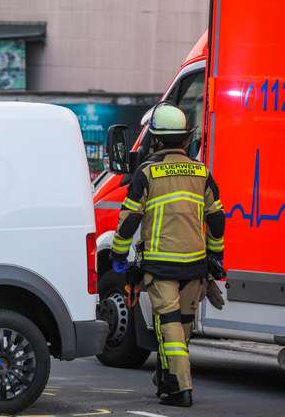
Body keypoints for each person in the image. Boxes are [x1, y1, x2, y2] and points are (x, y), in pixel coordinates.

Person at [111, 103, 225, 408]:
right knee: (181, 327)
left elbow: (129, 220)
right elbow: (216, 218)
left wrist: (119, 256)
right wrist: (217, 256)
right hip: (195, 266)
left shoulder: (147, 173)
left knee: (169, 325)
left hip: (162, 266)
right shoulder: (202, 172)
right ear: (185, 139)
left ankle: (180, 388)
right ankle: (167, 377)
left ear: (157, 140)